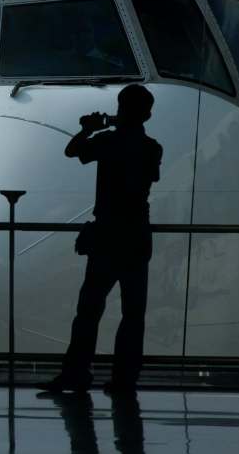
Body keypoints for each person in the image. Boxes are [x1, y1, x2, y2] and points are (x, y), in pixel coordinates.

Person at [41, 84, 162, 395]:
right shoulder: (152, 148)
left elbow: (72, 151)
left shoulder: (108, 142)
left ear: (120, 109)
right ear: (148, 114)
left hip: (107, 235)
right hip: (136, 236)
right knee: (133, 313)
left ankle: (76, 373)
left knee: (89, 310)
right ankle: (124, 379)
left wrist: (88, 129)